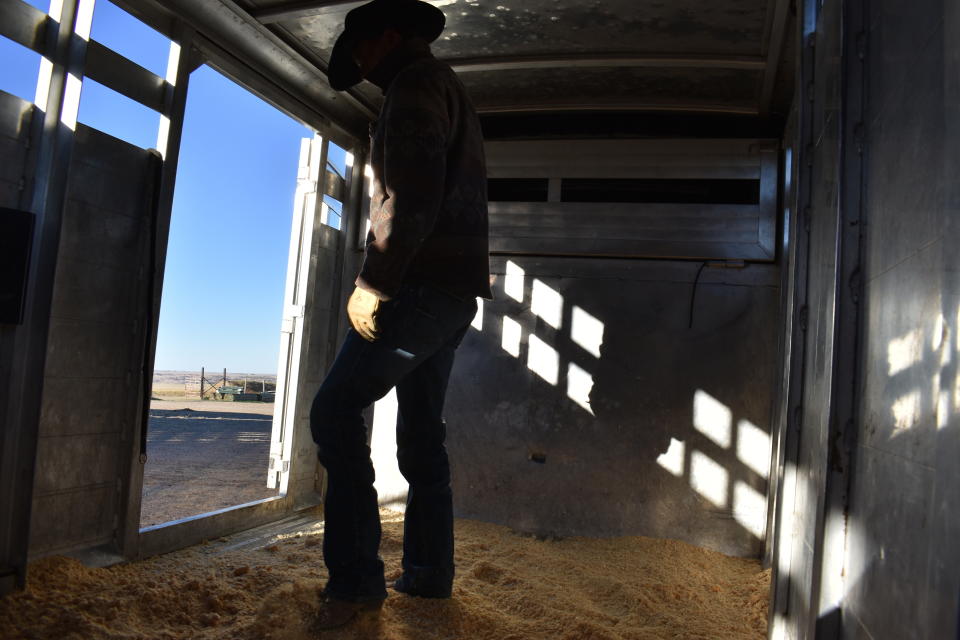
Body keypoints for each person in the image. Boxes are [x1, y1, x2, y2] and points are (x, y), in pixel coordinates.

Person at [310, 0, 491, 629]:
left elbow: (411, 194)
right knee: (420, 437)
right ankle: (427, 576)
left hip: (416, 287)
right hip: (452, 294)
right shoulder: (447, 88)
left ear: (387, 37)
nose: (358, 64)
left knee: (333, 412)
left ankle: (357, 585)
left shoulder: (414, 86)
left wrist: (373, 281)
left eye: (360, 50)